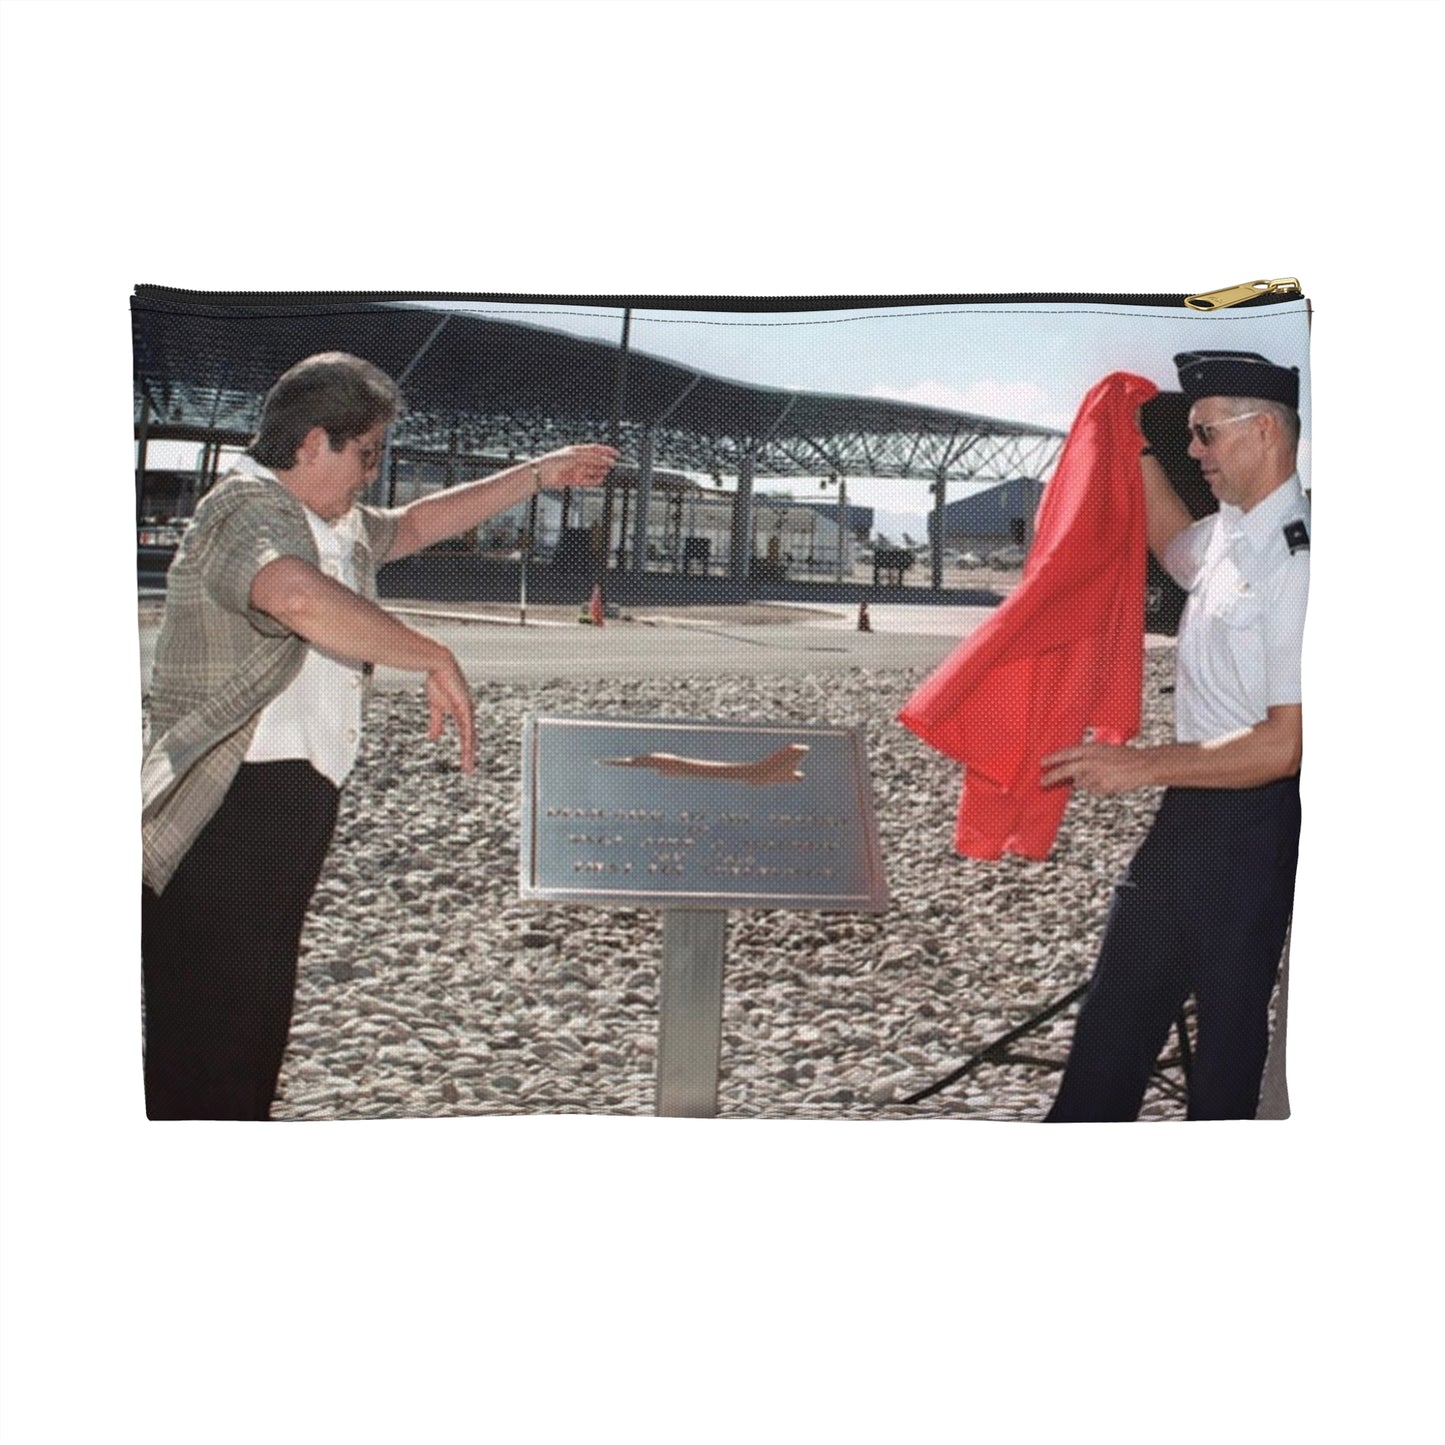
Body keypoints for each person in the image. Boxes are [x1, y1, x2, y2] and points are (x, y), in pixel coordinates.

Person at [141, 352, 617, 1119]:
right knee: (209, 1040)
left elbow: (424, 520)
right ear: (310, 443)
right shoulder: (243, 507)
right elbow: (293, 593)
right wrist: (430, 652)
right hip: (225, 808)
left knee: (252, 1027)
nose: (370, 473)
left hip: (287, 803)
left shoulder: (333, 524)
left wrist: (539, 473)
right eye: (364, 453)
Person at [1039, 350, 1309, 1122]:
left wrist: (1137, 765)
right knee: (1111, 1025)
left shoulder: (1297, 564)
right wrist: (1130, 444)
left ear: (1262, 431)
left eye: (1203, 433)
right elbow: (1169, 542)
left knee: (1225, 1048)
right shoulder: (1230, 534)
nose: (1196, 451)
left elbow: (1284, 744)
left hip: (1254, 826)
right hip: (1188, 817)